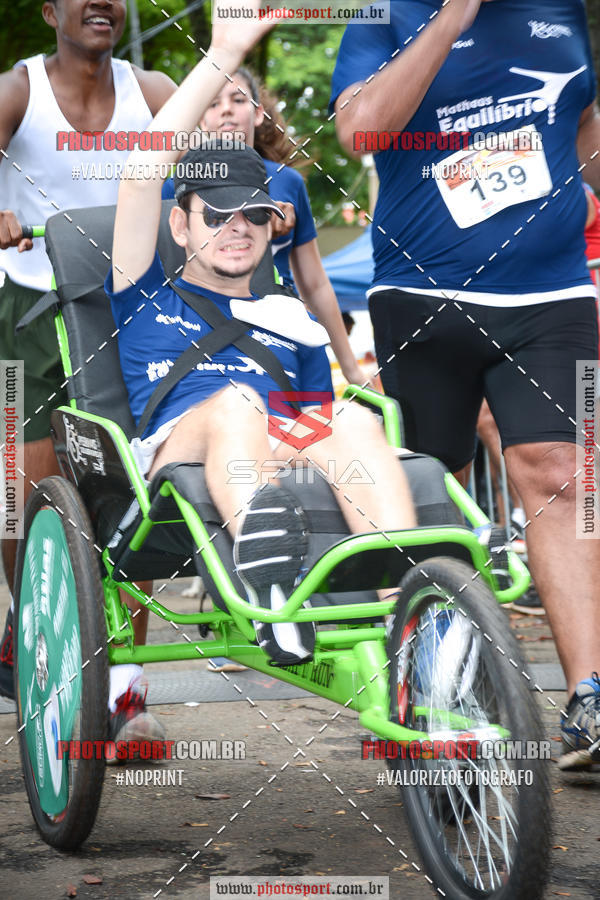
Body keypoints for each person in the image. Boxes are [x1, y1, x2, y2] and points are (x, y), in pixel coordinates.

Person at [331, 0, 600, 769]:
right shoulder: (388, 14)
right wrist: (450, 17)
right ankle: (438, 690)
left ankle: (590, 700)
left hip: (551, 294)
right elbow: (362, 132)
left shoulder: (562, 12)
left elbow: (578, 131)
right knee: (430, 491)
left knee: (563, 472)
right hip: (423, 297)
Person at [106, 0, 416, 666]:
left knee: (355, 422)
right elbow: (138, 177)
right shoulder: (144, 294)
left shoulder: (292, 320)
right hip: (172, 457)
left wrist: (328, 425)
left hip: (274, 450)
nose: (237, 225)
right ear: (181, 226)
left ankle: (408, 610)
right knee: (240, 404)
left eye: (252, 212)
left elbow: (309, 424)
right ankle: (273, 591)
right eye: (216, 212)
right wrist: (225, 52)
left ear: (272, 223)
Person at [0, 0, 176, 744]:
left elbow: (219, 170)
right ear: (52, 12)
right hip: (29, 309)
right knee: (22, 490)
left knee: (134, 489)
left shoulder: (158, 92)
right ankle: (32, 626)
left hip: (129, 313)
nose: (101, 2)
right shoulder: (18, 92)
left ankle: (123, 690)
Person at [163, 67, 369, 388]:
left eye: (237, 99)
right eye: (213, 103)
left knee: (312, 430)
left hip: (284, 329)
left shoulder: (287, 182)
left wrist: (352, 370)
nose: (226, 109)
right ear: (201, 120)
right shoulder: (176, 187)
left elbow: (315, 284)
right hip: (206, 332)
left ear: (258, 114)